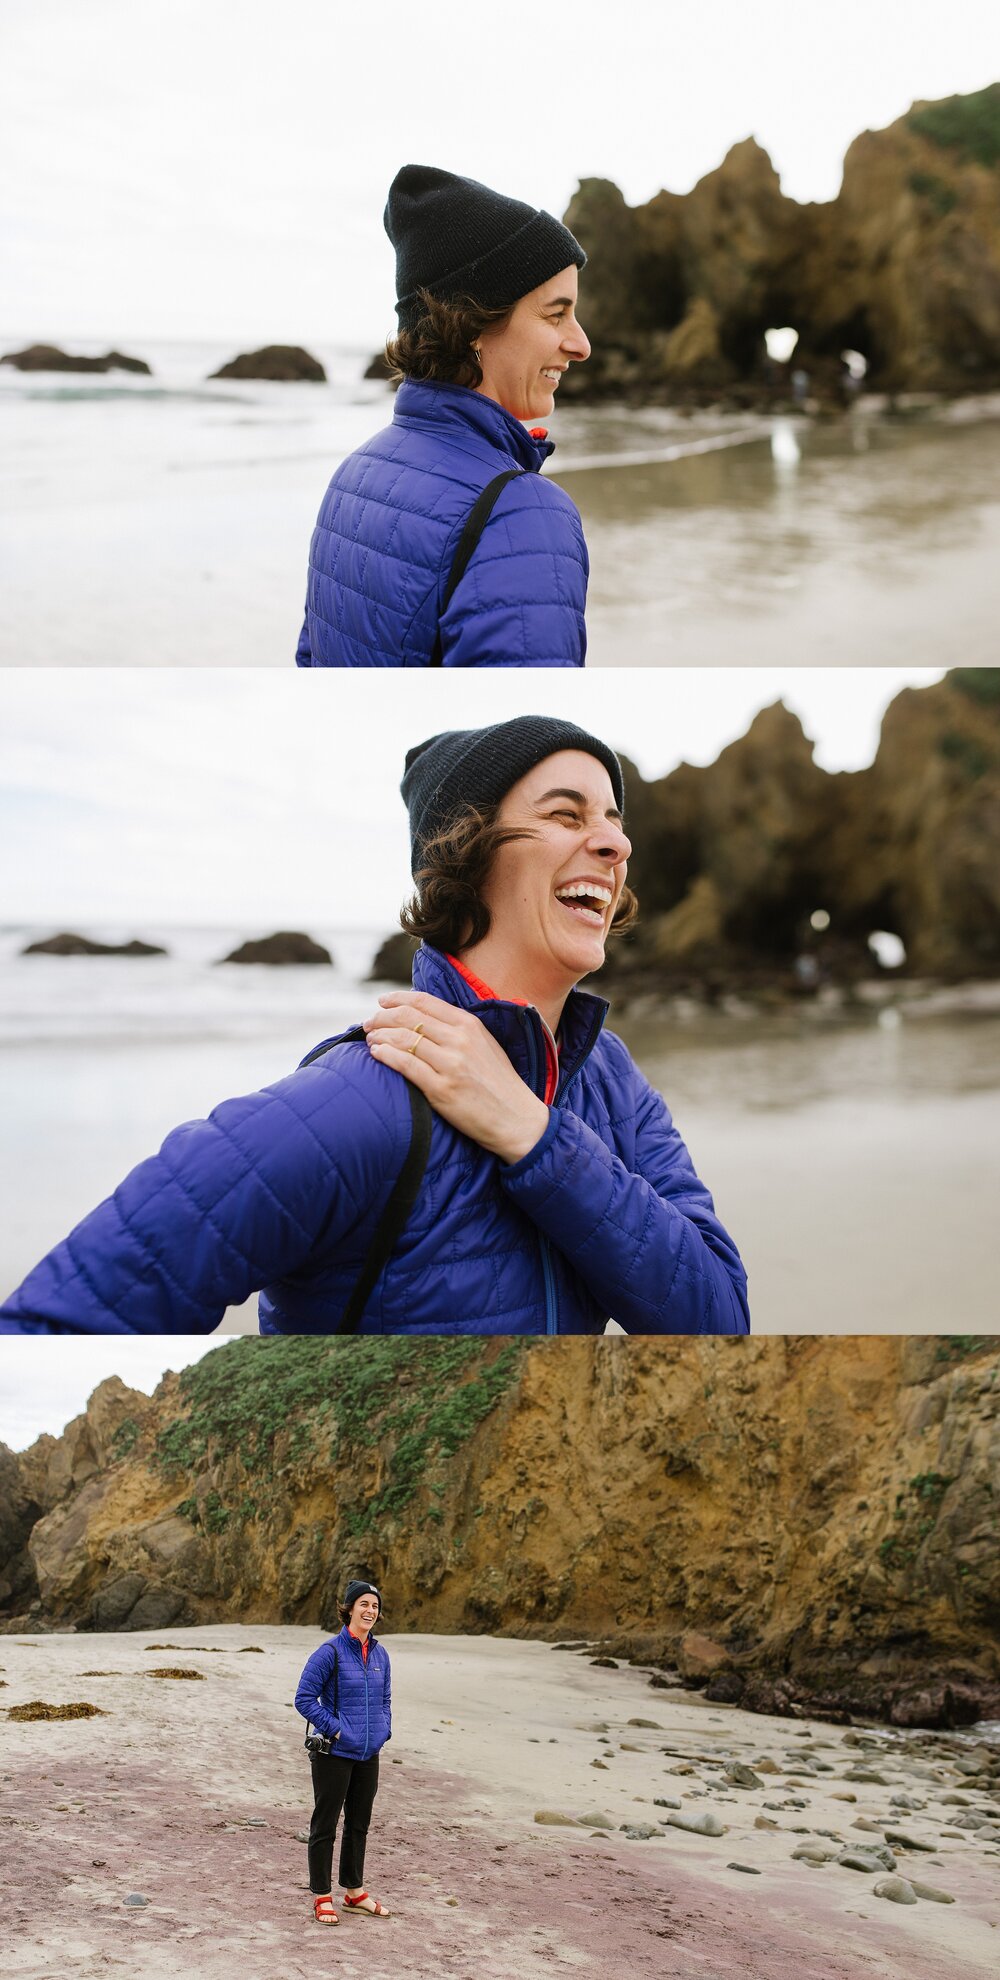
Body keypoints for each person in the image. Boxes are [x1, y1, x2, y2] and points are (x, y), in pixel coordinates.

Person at [0, 716, 749, 1335]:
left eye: (614, 822)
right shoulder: (365, 1099)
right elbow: (63, 1321)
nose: (616, 845)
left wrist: (536, 1136)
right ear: (467, 853)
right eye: (565, 814)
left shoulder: (608, 1079)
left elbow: (718, 1321)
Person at [295, 165, 591, 668]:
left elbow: (310, 661)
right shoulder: (523, 512)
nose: (580, 344)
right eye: (555, 314)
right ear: (473, 323)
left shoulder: (353, 477)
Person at [295, 1580, 391, 1925]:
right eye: (363, 1604)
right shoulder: (329, 1652)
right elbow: (304, 1699)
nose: (370, 1611)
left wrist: (383, 1730)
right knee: (325, 1824)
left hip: (368, 1752)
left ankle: (354, 1892)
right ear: (349, 1609)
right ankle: (322, 1896)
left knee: (359, 1824)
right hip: (334, 1753)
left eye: (375, 1606)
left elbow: (385, 1700)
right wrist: (336, 1729)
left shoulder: (380, 1654)